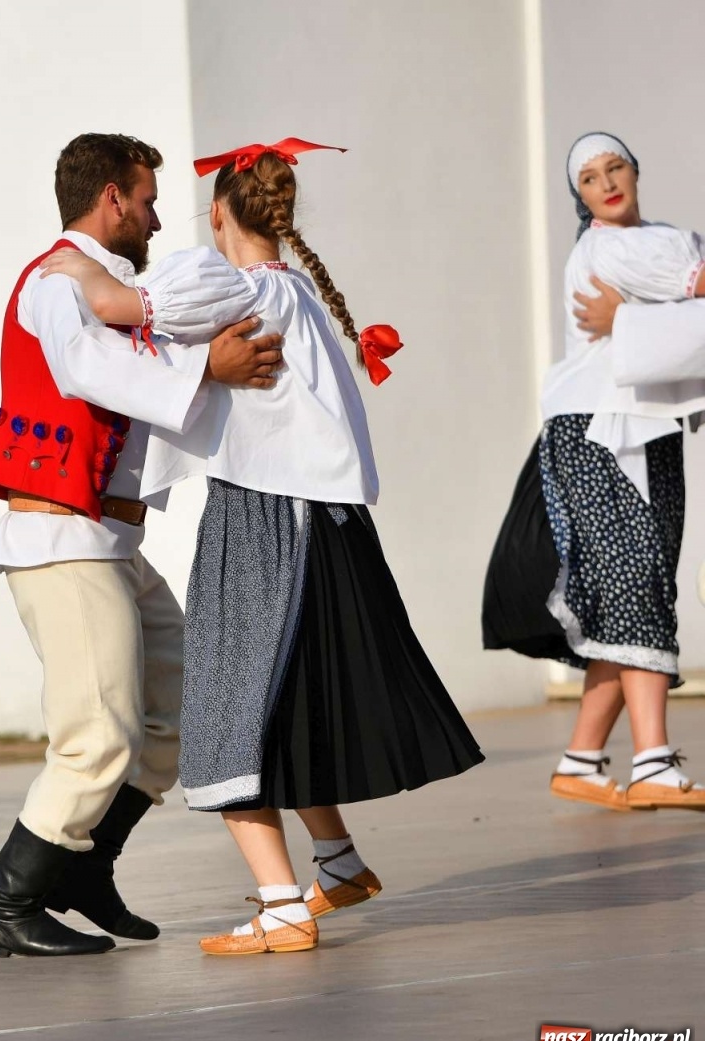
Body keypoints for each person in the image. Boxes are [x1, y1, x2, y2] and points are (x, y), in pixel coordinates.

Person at [45, 138, 484, 955]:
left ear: (218, 215)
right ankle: (338, 861)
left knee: (226, 707)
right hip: (315, 517)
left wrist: (71, 270)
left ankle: (282, 905)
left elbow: (123, 309)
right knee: (281, 699)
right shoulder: (296, 292)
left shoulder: (235, 286)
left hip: (268, 516)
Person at [0, 133, 283, 959]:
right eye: (145, 200)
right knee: (96, 734)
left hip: (109, 538)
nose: (151, 218)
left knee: (169, 716)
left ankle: (83, 867)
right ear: (112, 197)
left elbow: (155, 354)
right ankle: (7, 901)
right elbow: (84, 369)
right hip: (61, 536)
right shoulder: (54, 282)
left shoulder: (113, 288)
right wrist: (205, 371)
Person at [482, 132, 705, 813]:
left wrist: (631, 318)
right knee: (635, 581)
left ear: (636, 171)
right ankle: (653, 761)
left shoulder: (666, 237)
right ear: (577, 195)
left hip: (647, 427)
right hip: (596, 430)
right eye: (589, 178)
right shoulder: (611, 248)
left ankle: (580, 759)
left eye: (615, 168)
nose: (606, 183)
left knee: (628, 587)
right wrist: (647, 314)